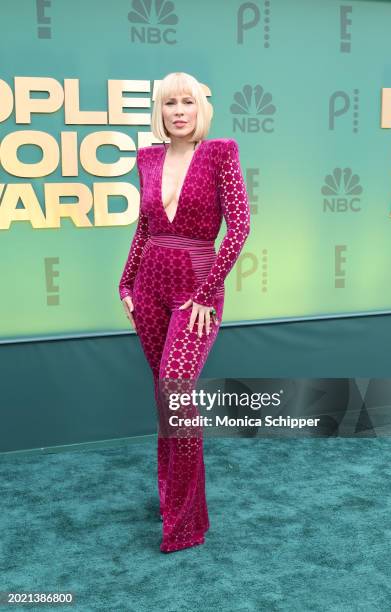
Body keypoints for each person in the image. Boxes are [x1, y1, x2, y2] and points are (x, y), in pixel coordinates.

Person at [118, 71, 250, 553]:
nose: (178, 110)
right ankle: (170, 495)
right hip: (148, 285)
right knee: (164, 399)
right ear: (160, 111)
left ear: (200, 108)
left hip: (197, 288)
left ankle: (188, 520)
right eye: (169, 102)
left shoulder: (220, 152)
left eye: (187, 102)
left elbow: (238, 230)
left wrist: (206, 291)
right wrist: (124, 282)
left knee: (176, 389)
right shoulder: (147, 157)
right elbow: (144, 227)